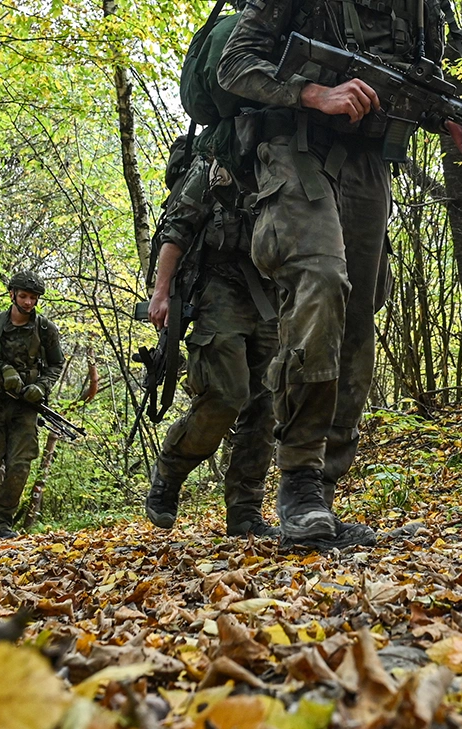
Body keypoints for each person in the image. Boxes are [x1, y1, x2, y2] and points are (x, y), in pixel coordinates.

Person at [215, 0, 462, 546]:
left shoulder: (426, 10)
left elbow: (428, 88)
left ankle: (318, 495)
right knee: (322, 283)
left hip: (368, 163)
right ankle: (297, 478)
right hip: (293, 149)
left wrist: (457, 125)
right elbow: (234, 63)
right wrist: (311, 93)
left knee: (357, 322)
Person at [144, 148, 282, 538]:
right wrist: (161, 292)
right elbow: (178, 229)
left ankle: (245, 512)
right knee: (226, 395)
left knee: (267, 405)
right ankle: (170, 471)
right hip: (219, 288)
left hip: (272, 295)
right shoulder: (214, 162)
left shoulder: (284, 158)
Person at [0, 271, 64, 539]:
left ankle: (2, 522)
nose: (28, 302)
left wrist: (40, 387)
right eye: (23, 296)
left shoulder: (45, 329)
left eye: (33, 298)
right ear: (12, 295)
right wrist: (2, 369)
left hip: (25, 405)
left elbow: (56, 364)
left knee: (20, 465)